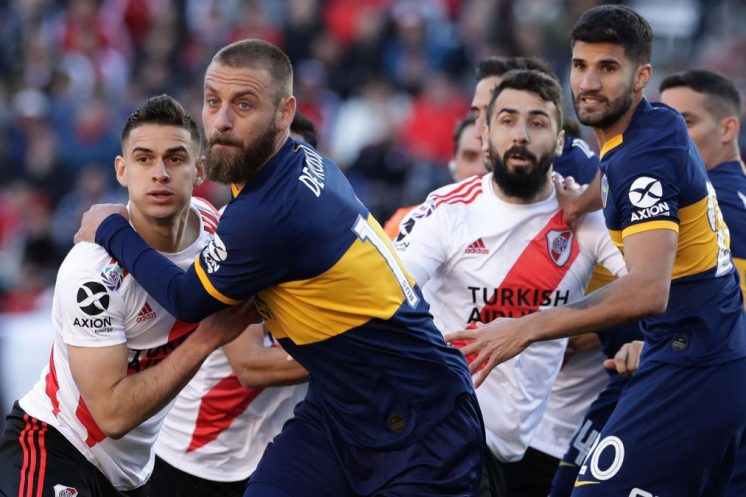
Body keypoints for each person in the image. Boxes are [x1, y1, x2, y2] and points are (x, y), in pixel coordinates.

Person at [76, 39, 483, 497]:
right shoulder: (301, 162)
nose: (221, 121)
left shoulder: (264, 215)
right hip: (339, 412)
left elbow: (185, 300)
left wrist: (111, 229)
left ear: (285, 113)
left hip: (421, 420)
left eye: (243, 105)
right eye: (212, 101)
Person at [448, 5, 746, 497]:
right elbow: (617, 170)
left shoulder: (644, 161)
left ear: (641, 76)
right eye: (580, 65)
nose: (587, 83)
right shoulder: (654, 125)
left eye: (607, 68)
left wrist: (525, 328)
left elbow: (649, 290)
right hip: (704, 354)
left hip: (694, 362)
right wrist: (582, 201)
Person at [0, 95, 255, 496]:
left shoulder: (213, 228)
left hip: (132, 474)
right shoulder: (93, 271)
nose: (160, 173)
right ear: (122, 170)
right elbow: (112, 415)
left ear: (199, 170)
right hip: (58, 446)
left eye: (175, 159)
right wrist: (208, 338)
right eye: (143, 159)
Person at [395, 69, 625, 497]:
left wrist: (640, 336)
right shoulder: (446, 211)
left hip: (513, 446)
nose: (521, 134)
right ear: (485, 134)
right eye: (507, 120)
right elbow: (388, 296)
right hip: (439, 428)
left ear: (559, 141)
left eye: (537, 122)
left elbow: (652, 285)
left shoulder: (586, 217)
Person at [149, 111, 320, 497]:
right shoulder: (236, 239)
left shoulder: (326, 237)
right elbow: (250, 365)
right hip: (197, 457)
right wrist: (354, 354)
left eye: (295, 160)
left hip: (269, 455)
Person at [659, 70, 746, 301]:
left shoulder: (707, 202)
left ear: (727, 130)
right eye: (663, 123)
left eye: (685, 122)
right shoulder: (736, 187)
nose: (667, 135)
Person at [383, 113, 486, 239]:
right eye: (470, 157)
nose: (480, 169)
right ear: (453, 164)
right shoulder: (405, 223)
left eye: (489, 157)